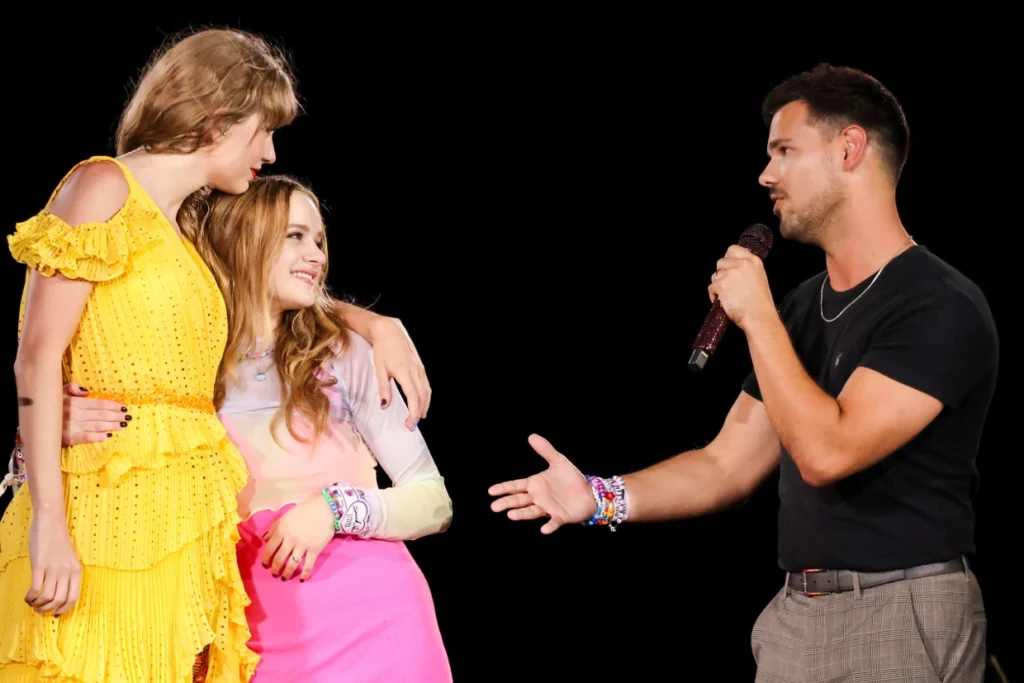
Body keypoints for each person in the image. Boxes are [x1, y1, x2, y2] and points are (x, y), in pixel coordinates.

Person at [488, 64, 997, 682]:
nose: (766, 175)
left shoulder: (936, 303)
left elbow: (827, 451)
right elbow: (727, 464)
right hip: (794, 616)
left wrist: (756, 316)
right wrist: (600, 498)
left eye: (785, 151)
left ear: (849, 149)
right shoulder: (801, 307)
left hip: (899, 611)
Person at [0, 29, 431, 683]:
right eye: (264, 129)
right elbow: (35, 359)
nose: (271, 150)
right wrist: (49, 528)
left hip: (188, 528)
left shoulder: (188, 234)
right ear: (221, 115)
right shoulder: (101, 186)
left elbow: (267, 288)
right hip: (106, 513)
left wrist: (375, 323)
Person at [54, 175, 453, 682]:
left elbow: (434, 502)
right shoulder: (177, 368)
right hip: (243, 638)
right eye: (295, 236)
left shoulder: (347, 354)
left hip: (377, 626)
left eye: (319, 240)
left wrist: (335, 510)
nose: (316, 255)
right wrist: (49, 435)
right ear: (241, 240)